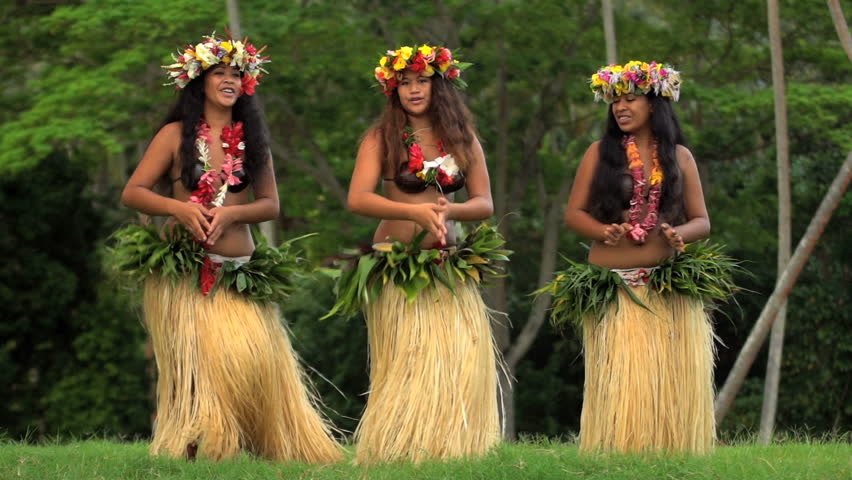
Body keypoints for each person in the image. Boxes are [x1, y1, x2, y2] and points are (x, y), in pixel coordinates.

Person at [118, 32, 342, 463]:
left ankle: (261, 441)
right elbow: (134, 191)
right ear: (198, 81)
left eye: (237, 74)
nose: (229, 80)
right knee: (196, 370)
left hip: (240, 269)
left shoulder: (253, 140)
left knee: (249, 365)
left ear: (246, 84)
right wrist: (179, 209)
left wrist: (233, 214)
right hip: (187, 272)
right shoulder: (173, 135)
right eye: (219, 72)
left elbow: (270, 204)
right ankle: (191, 450)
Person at [339, 44, 507, 463]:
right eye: (405, 83)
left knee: (457, 361)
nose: (414, 90)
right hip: (398, 264)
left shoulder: (461, 138)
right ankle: (398, 445)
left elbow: (484, 202)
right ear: (393, 90)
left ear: (441, 84)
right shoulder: (381, 138)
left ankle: (448, 446)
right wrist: (411, 210)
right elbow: (358, 198)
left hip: (446, 264)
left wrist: (451, 209)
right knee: (408, 362)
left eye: (422, 80)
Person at [560, 61, 721, 453]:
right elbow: (573, 214)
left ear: (655, 104)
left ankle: (666, 446)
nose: (620, 107)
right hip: (613, 292)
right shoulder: (599, 153)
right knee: (621, 383)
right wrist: (604, 231)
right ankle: (616, 447)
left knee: (662, 382)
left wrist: (677, 234)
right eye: (615, 100)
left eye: (630, 98)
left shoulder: (679, 158)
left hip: (664, 292)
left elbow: (702, 221)